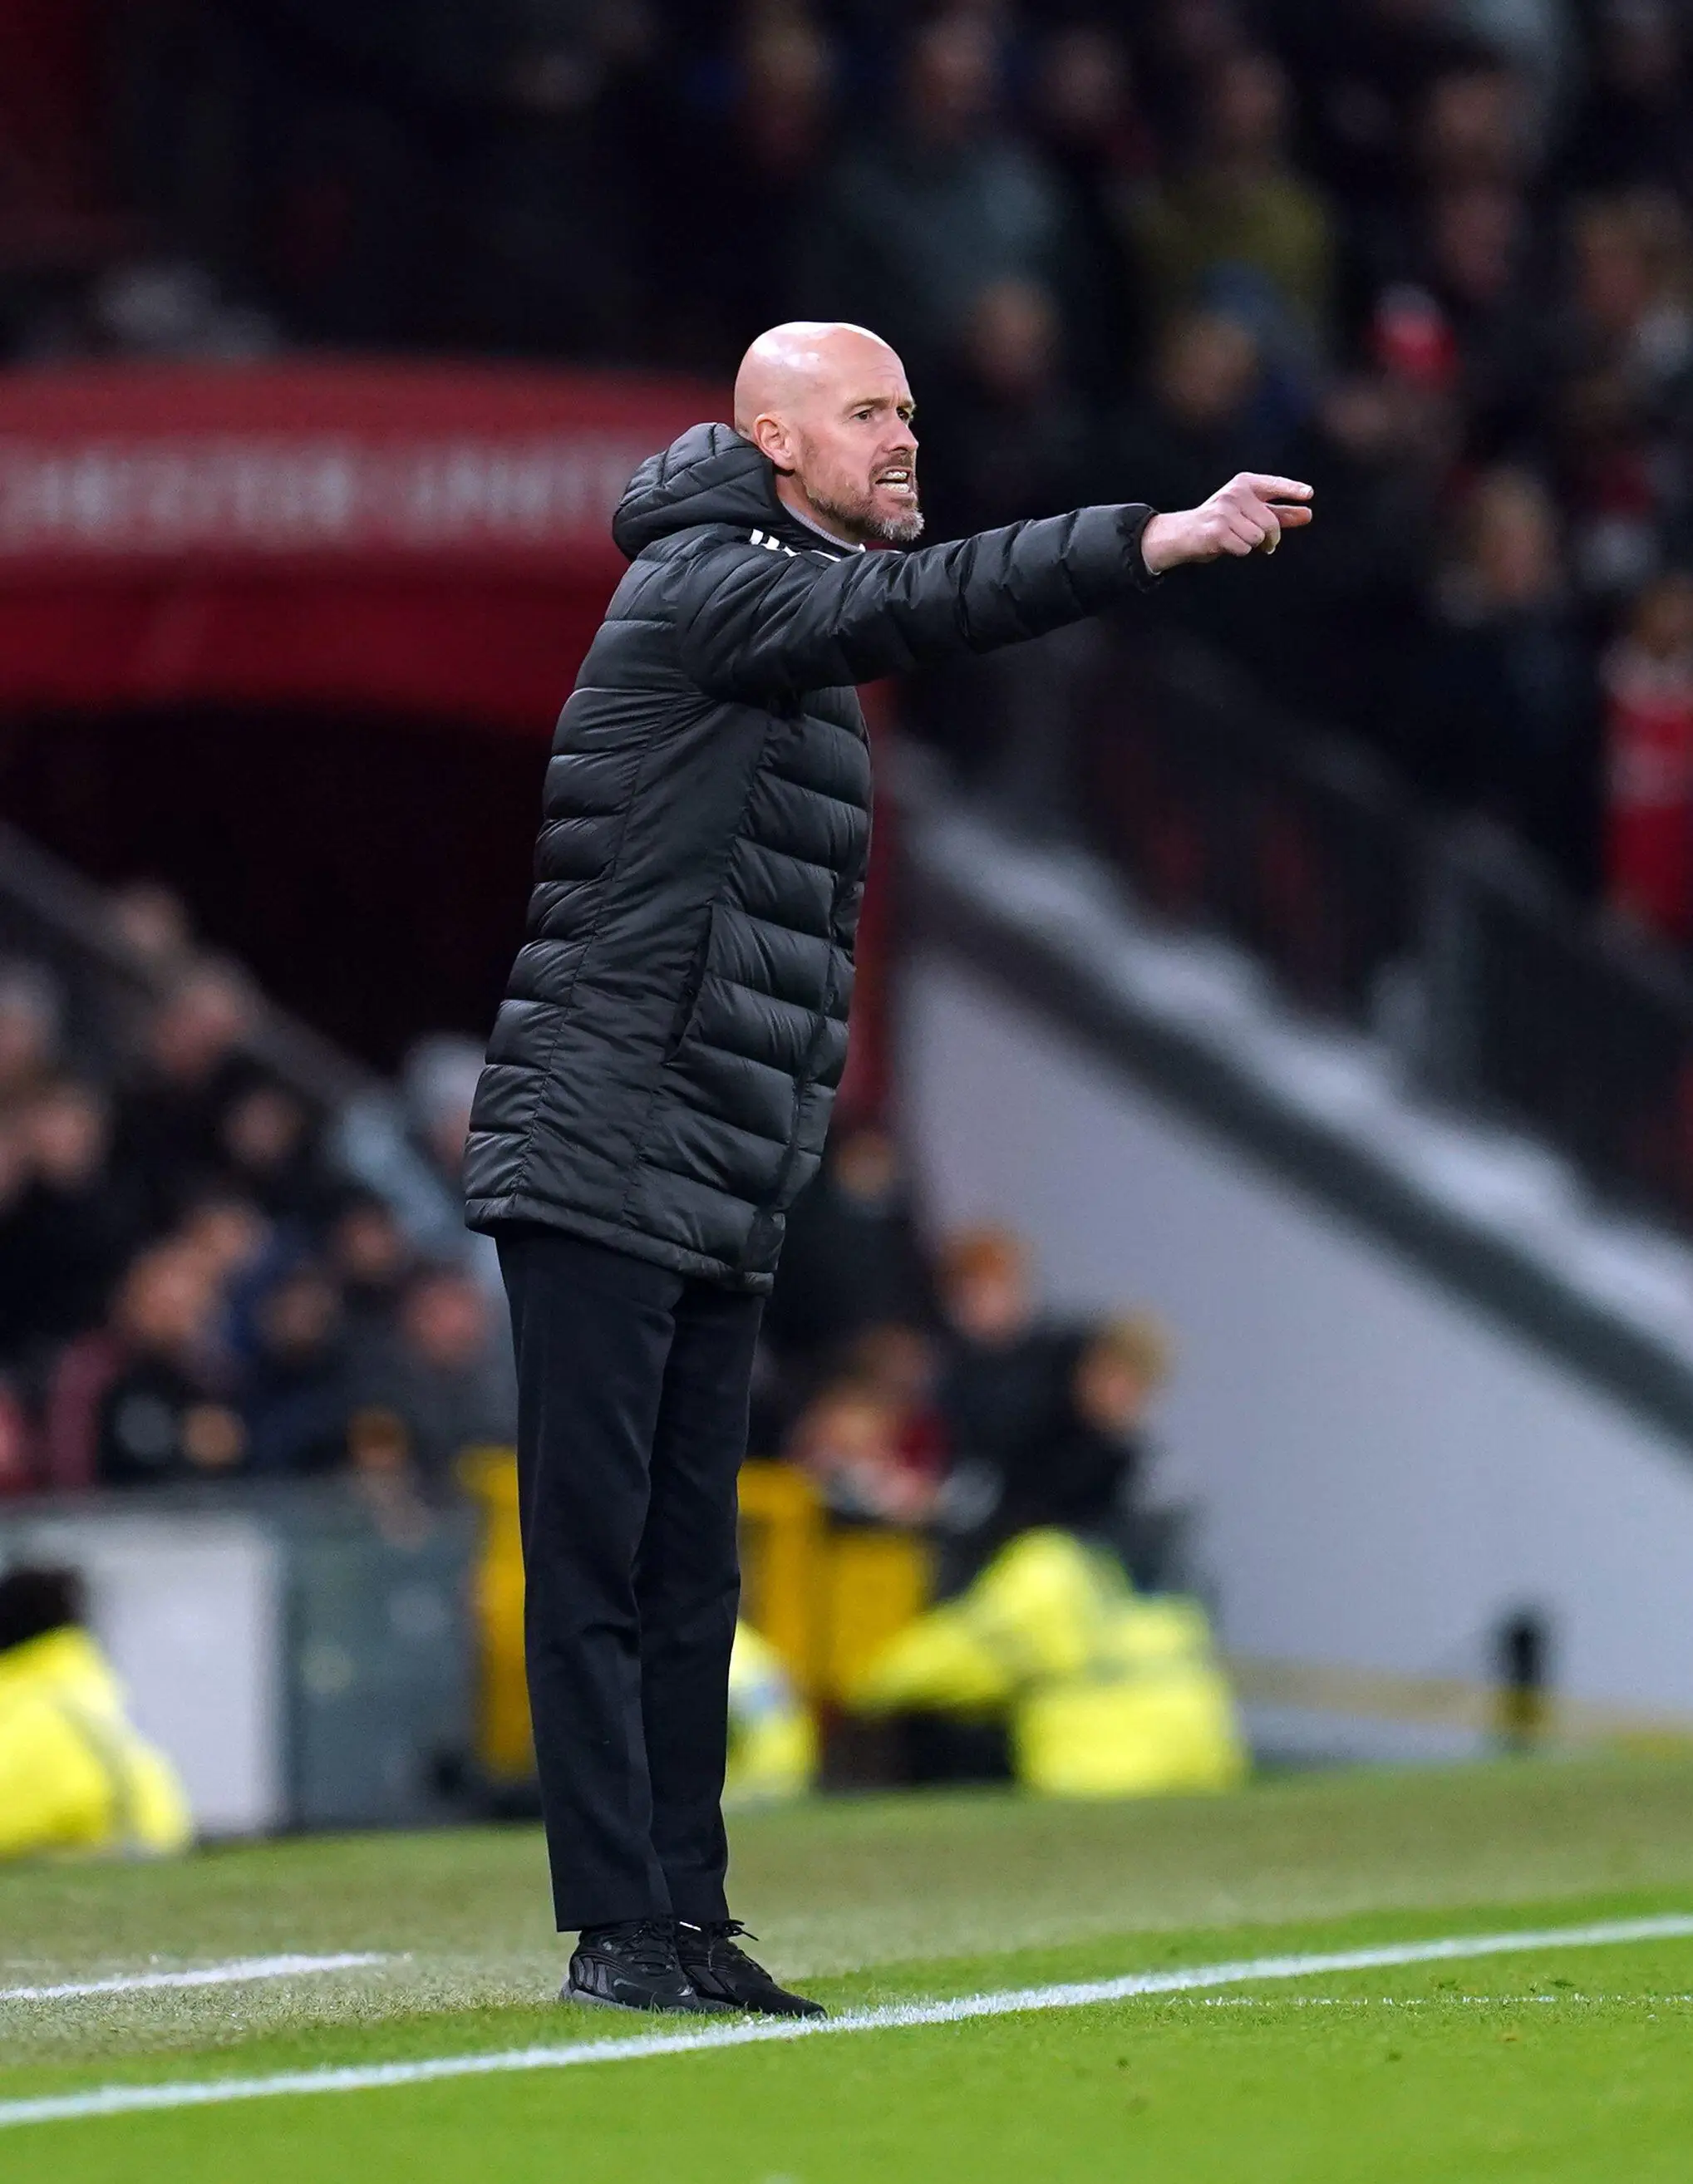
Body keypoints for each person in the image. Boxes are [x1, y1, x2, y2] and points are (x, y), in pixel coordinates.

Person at [465, 317, 1312, 2018]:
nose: (903, 439)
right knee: (603, 1552)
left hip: (704, 1152)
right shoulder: (715, 584)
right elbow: (918, 606)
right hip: (603, 1134)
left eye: (910, 412)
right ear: (776, 442)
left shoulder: (785, 619)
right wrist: (1143, 537)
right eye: (869, 414)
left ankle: (687, 1921)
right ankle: (616, 1926)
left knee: (695, 1560)